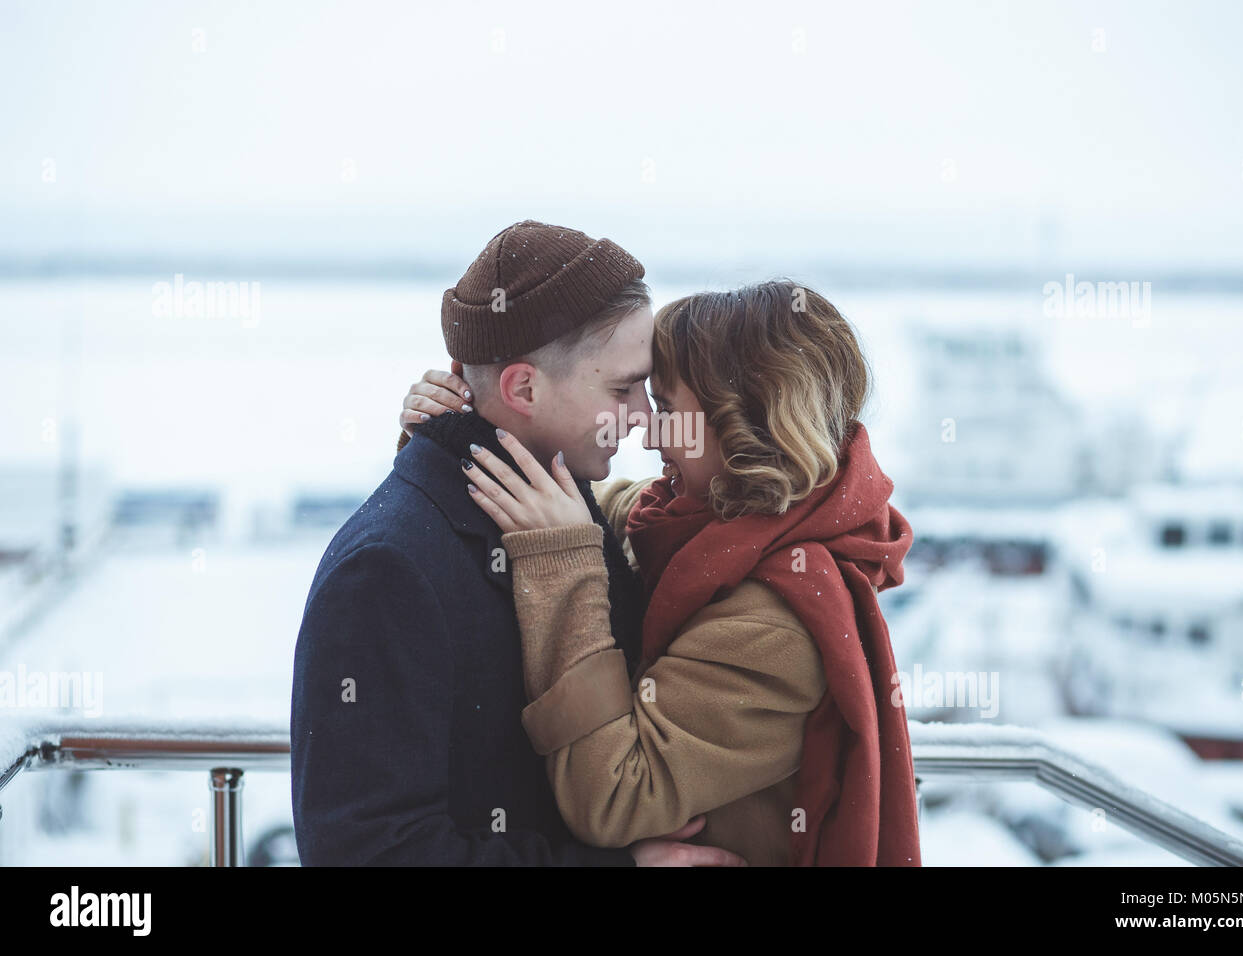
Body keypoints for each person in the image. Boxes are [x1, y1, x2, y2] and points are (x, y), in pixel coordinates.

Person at [403, 280, 922, 865]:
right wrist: (462, 419)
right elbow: (572, 501)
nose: (648, 433)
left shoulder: (776, 624)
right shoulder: (691, 524)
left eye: (669, 410)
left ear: (746, 425)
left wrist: (563, 562)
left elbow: (616, 797)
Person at [291, 220, 744, 865]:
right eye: (621, 389)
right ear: (523, 389)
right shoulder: (388, 570)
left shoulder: (562, 497)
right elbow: (364, 852)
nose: (644, 417)